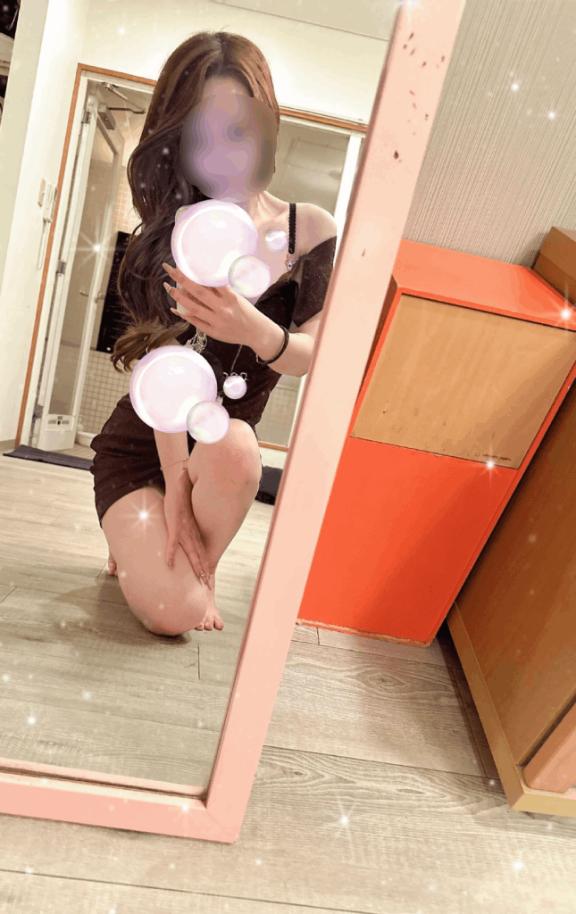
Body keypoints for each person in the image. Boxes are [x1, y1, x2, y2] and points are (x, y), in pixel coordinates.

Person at [89, 31, 337, 637]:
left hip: (224, 456)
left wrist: (251, 326)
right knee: (173, 616)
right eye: (199, 139)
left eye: (238, 131)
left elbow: (313, 355)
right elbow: (164, 376)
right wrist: (174, 480)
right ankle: (142, 541)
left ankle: (200, 570)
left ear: (267, 124)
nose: (222, 157)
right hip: (145, 446)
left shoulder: (310, 231)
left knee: (235, 445)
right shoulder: (171, 230)